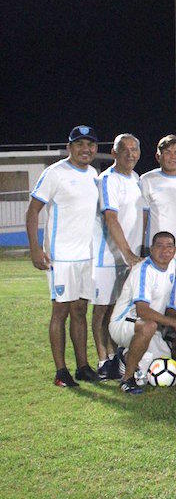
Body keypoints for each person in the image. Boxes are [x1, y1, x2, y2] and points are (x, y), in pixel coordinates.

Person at [26, 125, 101, 387]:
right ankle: (61, 372)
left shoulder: (94, 174)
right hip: (61, 257)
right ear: (69, 147)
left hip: (85, 257)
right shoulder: (54, 173)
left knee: (80, 310)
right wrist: (36, 248)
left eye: (90, 144)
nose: (86, 149)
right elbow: (33, 211)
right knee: (60, 312)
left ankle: (82, 366)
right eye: (79, 144)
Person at [108, 232, 176, 394]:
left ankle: (125, 358)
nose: (165, 250)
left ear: (175, 250)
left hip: (150, 326)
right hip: (124, 323)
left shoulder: (171, 266)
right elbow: (142, 311)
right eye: (159, 246)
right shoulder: (143, 270)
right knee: (148, 326)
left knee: (175, 355)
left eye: (169, 246)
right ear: (151, 249)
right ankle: (127, 380)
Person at [90, 133, 145, 380]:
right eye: (125, 149)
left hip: (128, 258)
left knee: (117, 311)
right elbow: (111, 218)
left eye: (135, 150)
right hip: (107, 257)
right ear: (114, 153)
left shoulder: (136, 179)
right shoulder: (107, 179)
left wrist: (137, 253)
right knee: (102, 310)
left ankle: (115, 356)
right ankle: (103, 359)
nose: (131, 154)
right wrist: (128, 254)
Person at [140, 134, 176, 259]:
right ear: (158, 156)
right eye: (168, 152)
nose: (173, 157)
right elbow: (143, 217)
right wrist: (141, 246)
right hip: (158, 253)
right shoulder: (147, 180)